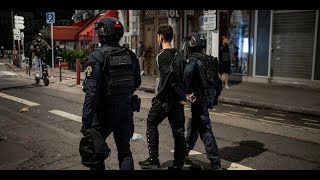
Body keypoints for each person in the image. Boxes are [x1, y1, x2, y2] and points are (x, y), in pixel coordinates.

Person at [81, 17, 141, 170]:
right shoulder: (130, 55)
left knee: (96, 153)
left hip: (103, 114)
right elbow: (137, 83)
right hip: (125, 111)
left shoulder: (97, 56)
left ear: (102, 34)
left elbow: (91, 92)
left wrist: (86, 121)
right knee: (125, 152)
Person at [138, 25, 195, 170]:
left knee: (151, 123)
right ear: (172, 37)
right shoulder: (180, 54)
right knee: (179, 132)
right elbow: (184, 77)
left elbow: (171, 81)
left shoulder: (161, 57)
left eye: (158, 36)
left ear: (160, 37)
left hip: (164, 100)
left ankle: (153, 160)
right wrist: (185, 94)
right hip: (177, 100)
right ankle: (178, 164)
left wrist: (185, 95)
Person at [182, 32, 222, 170]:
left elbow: (186, 77)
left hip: (198, 98)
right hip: (207, 97)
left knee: (205, 128)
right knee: (194, 124)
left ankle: (215, 160)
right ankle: (184, 151)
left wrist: (182, 94)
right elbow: (218, 82)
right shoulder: (209, 59)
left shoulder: (193, 61)